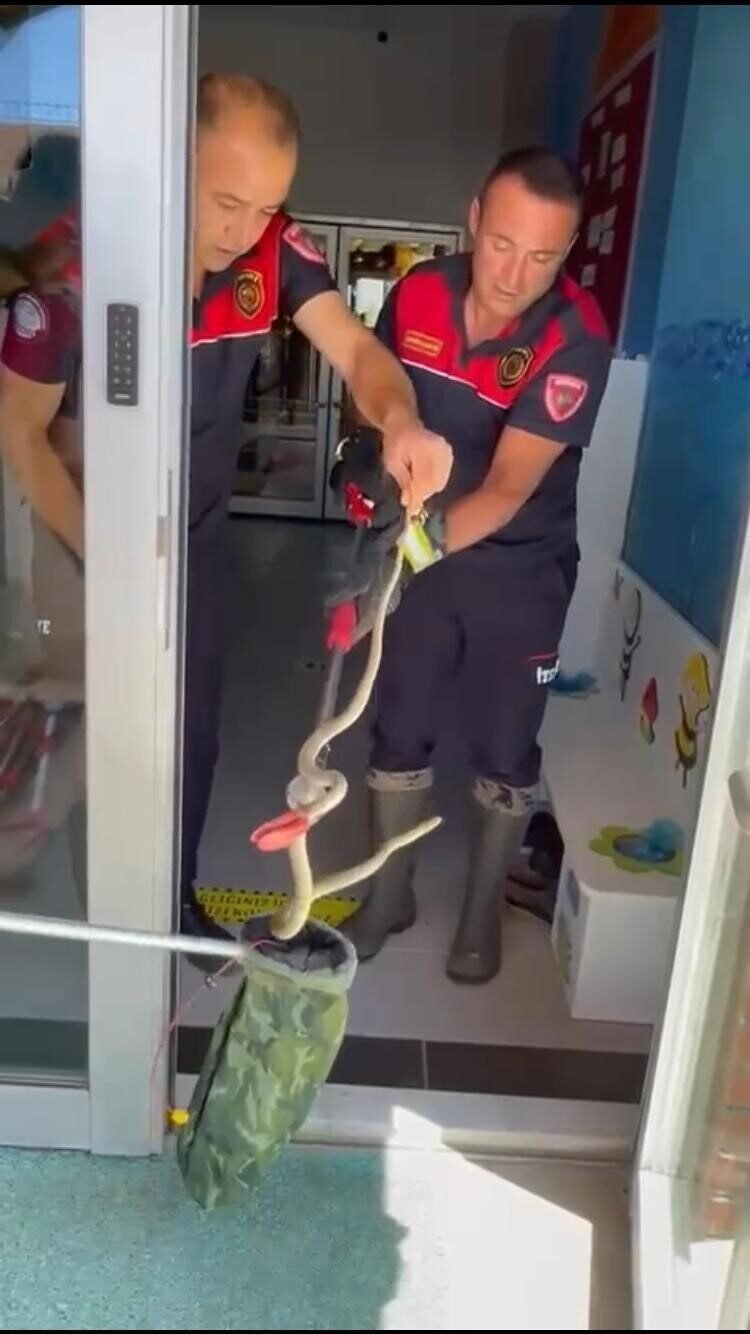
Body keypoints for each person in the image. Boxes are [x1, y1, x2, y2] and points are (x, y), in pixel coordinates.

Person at [0, 76, 453, 943]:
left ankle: (171, 900)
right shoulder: (73, 266)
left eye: (266, 207)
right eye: (227, 202)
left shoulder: (272, 251)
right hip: (84, 548)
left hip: (197, 540)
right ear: (172, 160)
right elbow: (19, 433)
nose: (244, 230)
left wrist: (401, 420)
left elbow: (357, 350)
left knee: (191, 736)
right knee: (101, 737)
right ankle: (110, 926)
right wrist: (108, 559)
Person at [337, 146, 612, 984]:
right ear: (474, 221)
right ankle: (389, 896)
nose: (514, 276)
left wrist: (406, 552)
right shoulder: (419, 292)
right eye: (501, 245)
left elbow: (506, 489)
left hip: (519, 570)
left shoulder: (575, 338)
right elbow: (372, 393)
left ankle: (481, 909)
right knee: (400, 722)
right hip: (423, 550)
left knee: (505, 745)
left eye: (542, 257)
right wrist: (368, 465)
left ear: (567, 254)